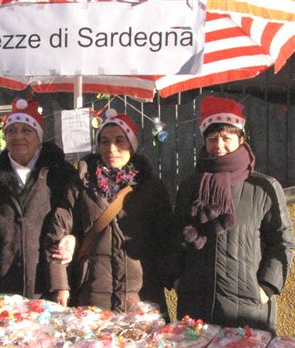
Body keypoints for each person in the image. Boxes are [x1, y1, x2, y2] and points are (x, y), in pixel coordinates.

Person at [174, 96, 294, 334]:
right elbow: (174, 236)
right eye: (212, 138)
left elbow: (282, 242)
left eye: (227, 138)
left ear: (241, 139)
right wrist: (177, 280)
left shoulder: (264, 187)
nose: (219, 144)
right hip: (196, 306)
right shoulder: (190, 187)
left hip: (248, 309)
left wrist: (266, 287)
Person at [46, 108, 180, 314]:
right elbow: (58, 232)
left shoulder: (151, 187)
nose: (112, 148)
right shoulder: (80, 184)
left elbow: (166, 240)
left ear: (132, 145)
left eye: (120, 140)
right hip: (93, 294)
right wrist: (60, 285)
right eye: (104, 141)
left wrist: (175, 279)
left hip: (141, 298)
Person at [0, 98, 76, 299]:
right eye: (11, 130)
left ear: (38, 136)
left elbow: (76, 219)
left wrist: (73, 238)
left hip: (47, 286)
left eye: (26, 130)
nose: (18, 137)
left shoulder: (61, 174)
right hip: (1, 288)